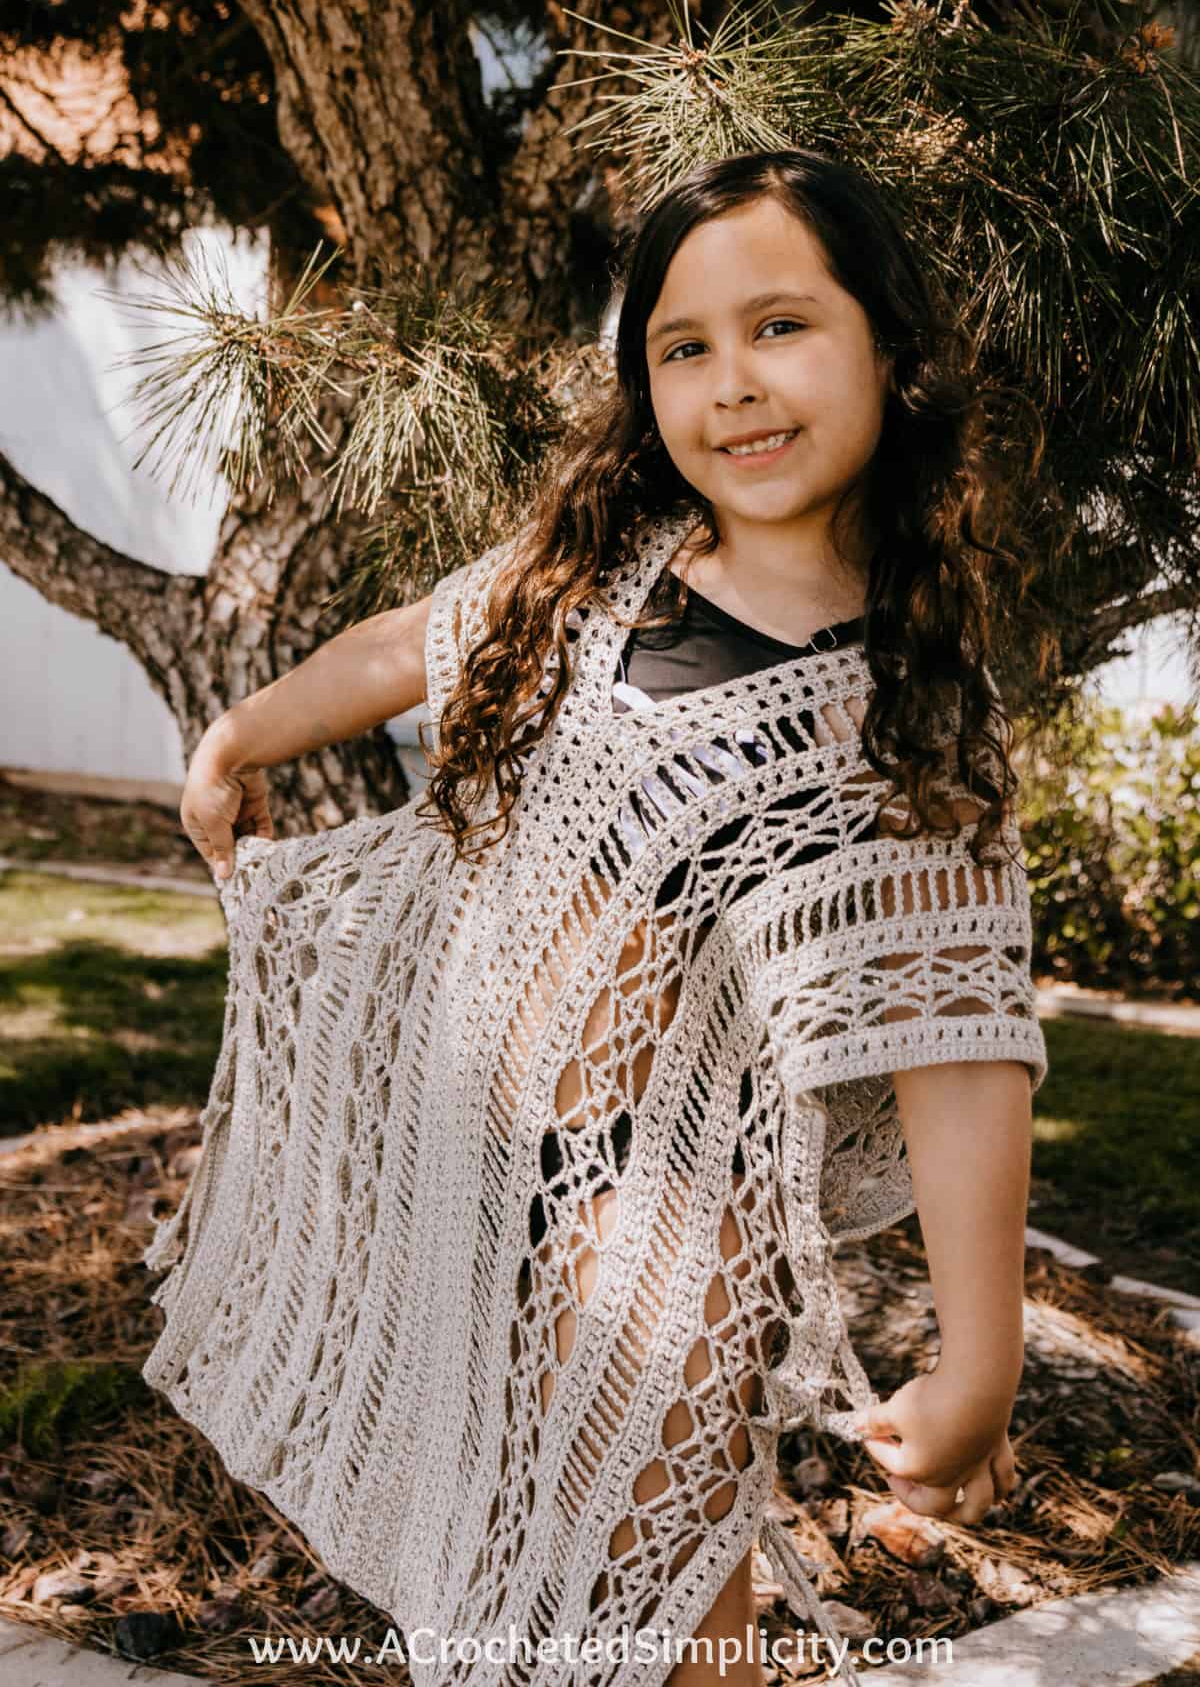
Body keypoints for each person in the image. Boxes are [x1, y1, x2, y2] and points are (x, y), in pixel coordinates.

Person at [146, 148, 1049, 1687]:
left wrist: (984, 1355)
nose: (733, 386)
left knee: (656, 1627)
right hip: (469, 1197)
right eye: (682, 350)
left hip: (663, 1253)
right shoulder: (603, 579)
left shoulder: (902, 719)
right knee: (492, 1603)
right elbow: (409, 642)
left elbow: (957, 1041)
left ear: (890, 354)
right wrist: (245, 738)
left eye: (781, 327)